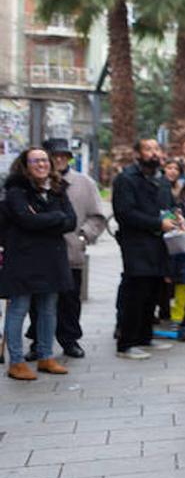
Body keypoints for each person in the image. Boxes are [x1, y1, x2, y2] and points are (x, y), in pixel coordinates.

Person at [19, 139, 106, 361]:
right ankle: (38, 342)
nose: (58, 159)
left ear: (69, 158)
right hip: (39, 255)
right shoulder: (30, 183)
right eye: (54, 155)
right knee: (38, 302)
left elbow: (97, 216)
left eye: (63, 156)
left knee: (70, 300)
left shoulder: (84, 183)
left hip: (70, 253)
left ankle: (69, 340)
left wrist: (82, 236)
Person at [2, 148, 77, 379]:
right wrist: (55, 218)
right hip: (23, 258)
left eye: (44, 160)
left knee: (48, 309)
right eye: (35, 161)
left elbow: (71, 221)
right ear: (25, 165)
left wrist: (42, 219)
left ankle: (46, 356)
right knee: (18, 309)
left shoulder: (58, 188)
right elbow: (26, 220)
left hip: (52, 259)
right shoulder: (16, 190)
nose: (41, 164)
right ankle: (16, 362)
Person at [112, 139, 180, 360]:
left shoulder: (161, 179)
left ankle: (144, 337)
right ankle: (126, 343)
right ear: (138, 154)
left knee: (153, 291)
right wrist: (157, 224)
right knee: (136, 293)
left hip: (160, 244)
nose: (153, 153)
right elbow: (125, 213)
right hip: (137, 244)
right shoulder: (126, 178)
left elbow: (168, 206)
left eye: (156, 149)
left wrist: (175, 217)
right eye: (148, 149)